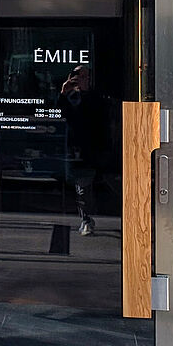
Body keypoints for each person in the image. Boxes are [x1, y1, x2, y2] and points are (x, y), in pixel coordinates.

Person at [57, 65, 113, 236]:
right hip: (74, 146)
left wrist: (86, 92)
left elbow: (98, 117)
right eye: (78, 76)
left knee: (86, 185)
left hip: (92, 147)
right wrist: (63, 93)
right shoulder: (70, 95)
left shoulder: (97, 97)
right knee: (79, 185)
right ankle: (86, 217)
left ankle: (87, 218)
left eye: (85, 76)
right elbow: (62, 113)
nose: (82, 79)